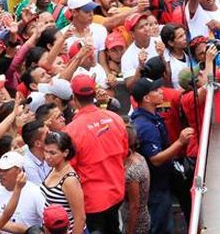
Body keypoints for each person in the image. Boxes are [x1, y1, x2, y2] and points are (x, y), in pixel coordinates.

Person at [63, 75, 128, 233]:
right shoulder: (115, 119)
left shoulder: (71, 131)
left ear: (74, 98)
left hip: (91, 203)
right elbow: (124, 154)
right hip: (116, 193)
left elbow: (69, 171)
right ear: (94, 94)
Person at [129, 77, 194, 234]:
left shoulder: (151, 117)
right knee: (161, 227)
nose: (161, 92)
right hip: (155, 187)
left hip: (162, 182)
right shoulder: (145, 126)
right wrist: (180, 142)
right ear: (146, 98)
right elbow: (156, 159)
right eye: (156, 90)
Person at [0, 151, 45, 233]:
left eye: (5, 170)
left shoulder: (35, 192)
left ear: (19, 171)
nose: (0, 173)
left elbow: (46, 221)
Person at [40, 132, 85, 234]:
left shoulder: (69, 180)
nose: (47, 156)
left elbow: (80, 218)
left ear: (65, 152)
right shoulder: (53, 168)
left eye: (52, 153)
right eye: (45, 151)